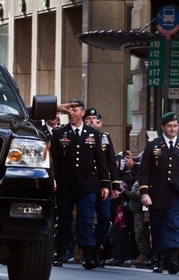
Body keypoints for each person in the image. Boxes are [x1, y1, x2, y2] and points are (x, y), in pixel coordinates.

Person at [50, 99, 111, 269]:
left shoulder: (93, 134)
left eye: (75, 110)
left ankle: (88, 254)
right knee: (63, 219)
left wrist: (105, 184)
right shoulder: (59, 133)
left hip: (87, 185)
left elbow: (101, 161)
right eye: (69, 110)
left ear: (82, 113)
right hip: (65, 184)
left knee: (86, 220)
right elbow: (53, 160)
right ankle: (60, 251)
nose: (71, 112)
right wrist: (52, 178)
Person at [138, 111, 179, 273]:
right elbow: (144, 172)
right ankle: (158, 258)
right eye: (169, 126)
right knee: (157, 226)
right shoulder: (153, 145)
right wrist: (144, 193)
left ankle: (174, 259)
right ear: (163, 127)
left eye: (175, 126)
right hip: (156, 193)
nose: (172, 129)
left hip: (176, 194)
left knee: (175, 225)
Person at [84, 107, 120, 268]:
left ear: (100, 122)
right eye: (89, 119)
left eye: (95, 119)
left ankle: (98, 246)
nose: (92, 122)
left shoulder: (105, 138)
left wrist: (115, 185)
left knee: (105, 217)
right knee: (86, 218)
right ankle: (88, 250)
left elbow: (111, 163)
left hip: (103, 183)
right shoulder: (81, 137)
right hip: (86, 184)